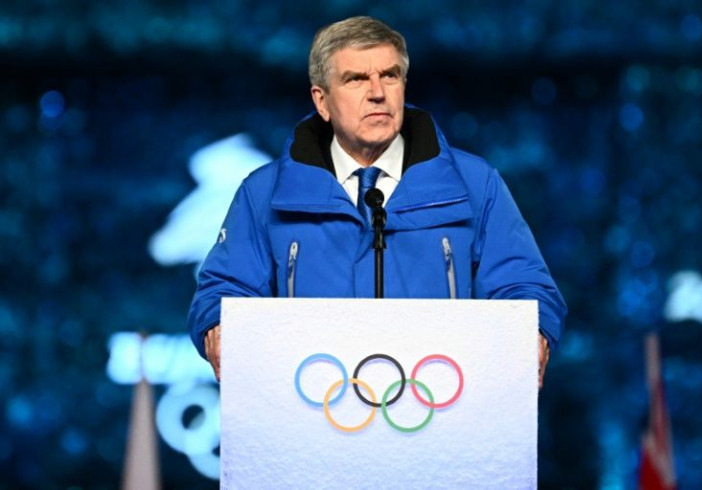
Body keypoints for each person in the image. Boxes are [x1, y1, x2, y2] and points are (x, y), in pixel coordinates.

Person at [188, 16, 567, 388]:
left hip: (442, 415)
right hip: (311, 420)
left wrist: (532, 331)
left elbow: (524, 286)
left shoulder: (475, 184)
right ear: (322, 101)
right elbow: (223, 291)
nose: (377, 92)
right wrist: (219, 326)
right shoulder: (263, 193)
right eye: (355, 79)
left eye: (390, 75)